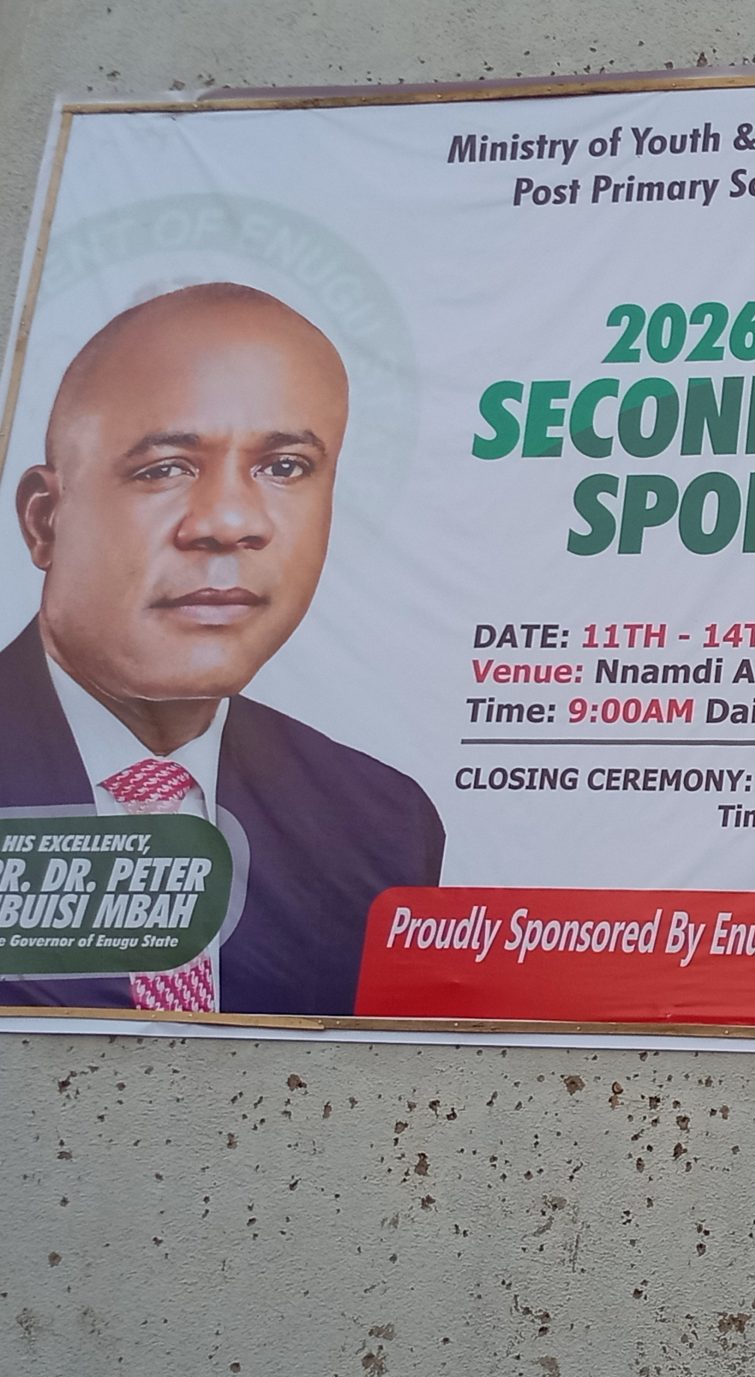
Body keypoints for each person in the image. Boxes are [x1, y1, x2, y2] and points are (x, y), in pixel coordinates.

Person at [0, 282, 443, 1013]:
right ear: (45, 520)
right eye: (165, 469)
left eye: (285, 467)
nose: (230, 522)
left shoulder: (382, 822)